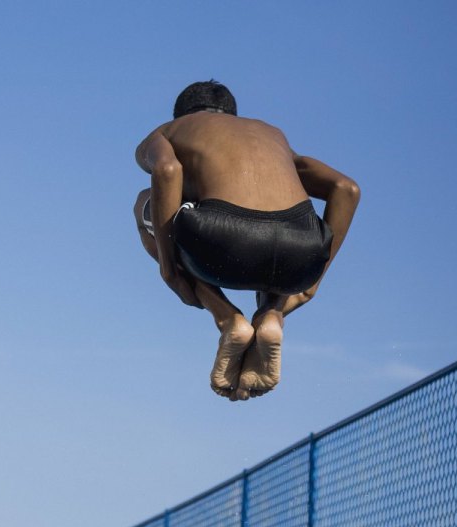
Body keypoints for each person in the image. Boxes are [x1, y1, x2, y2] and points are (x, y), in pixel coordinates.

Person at [134, 80, 360, 401]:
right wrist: (310, 285)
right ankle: (272, 314)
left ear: (181, 114)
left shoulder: (170, 130)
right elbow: (346, 189)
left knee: (148, 202)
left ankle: (228, 318)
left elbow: (168, 170)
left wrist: (169, 269)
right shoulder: (273, 136)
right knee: (272, 217)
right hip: (303, 256)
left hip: (222, 244)